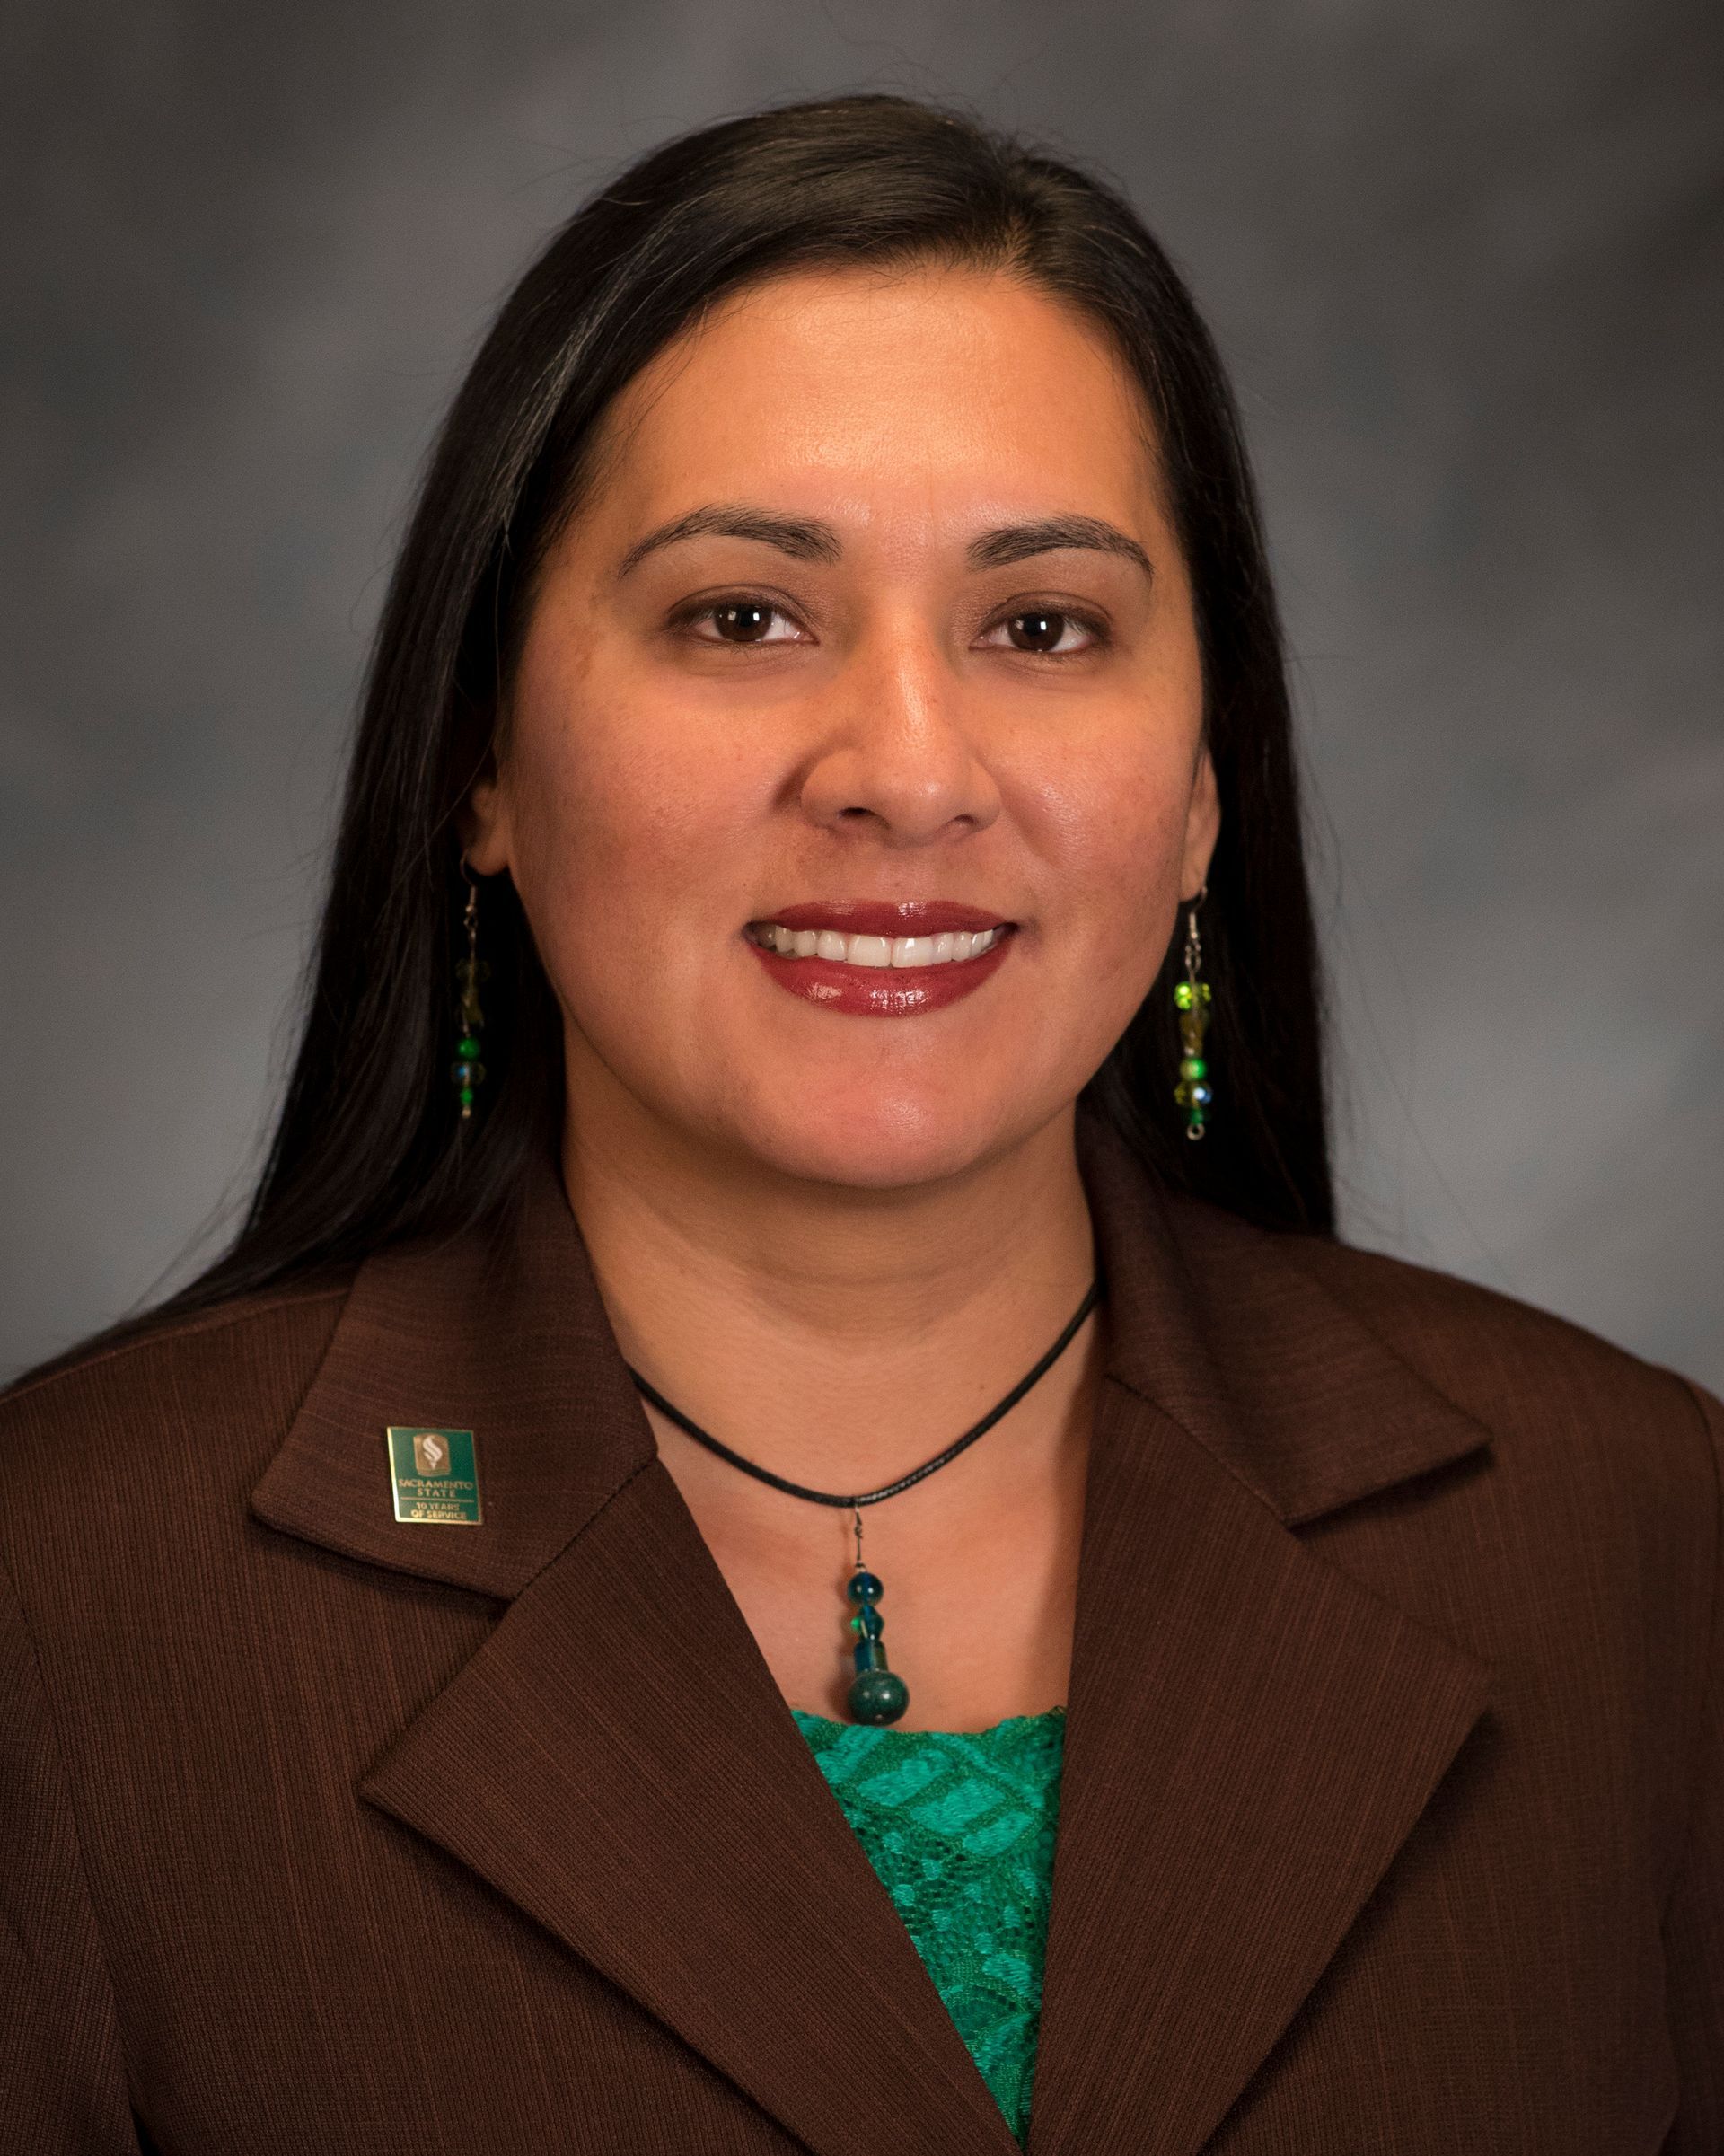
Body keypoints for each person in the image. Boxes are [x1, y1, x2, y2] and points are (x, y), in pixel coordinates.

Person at [0, 93, 1717, 2156]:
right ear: (483, 761)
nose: (907, 770)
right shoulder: (62, 1601)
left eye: (1041, 626)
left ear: (1200, 788)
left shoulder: (1638, 1538)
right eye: (744, 616)